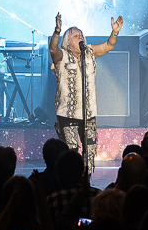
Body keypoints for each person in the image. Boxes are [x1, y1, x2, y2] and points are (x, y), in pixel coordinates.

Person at [49, 11, 123, 176]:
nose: (80, 37)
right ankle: (70, 180)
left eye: (81, 35)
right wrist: (57, 30)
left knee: (89, 152)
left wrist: (114, 32)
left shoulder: (89, 52)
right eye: (76, 36)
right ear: (68, 41)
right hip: (67, 112)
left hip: (88, 112)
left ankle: (86, 181)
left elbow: (109, 45)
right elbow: (53, 50)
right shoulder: (62, 56)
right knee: (70, 152)